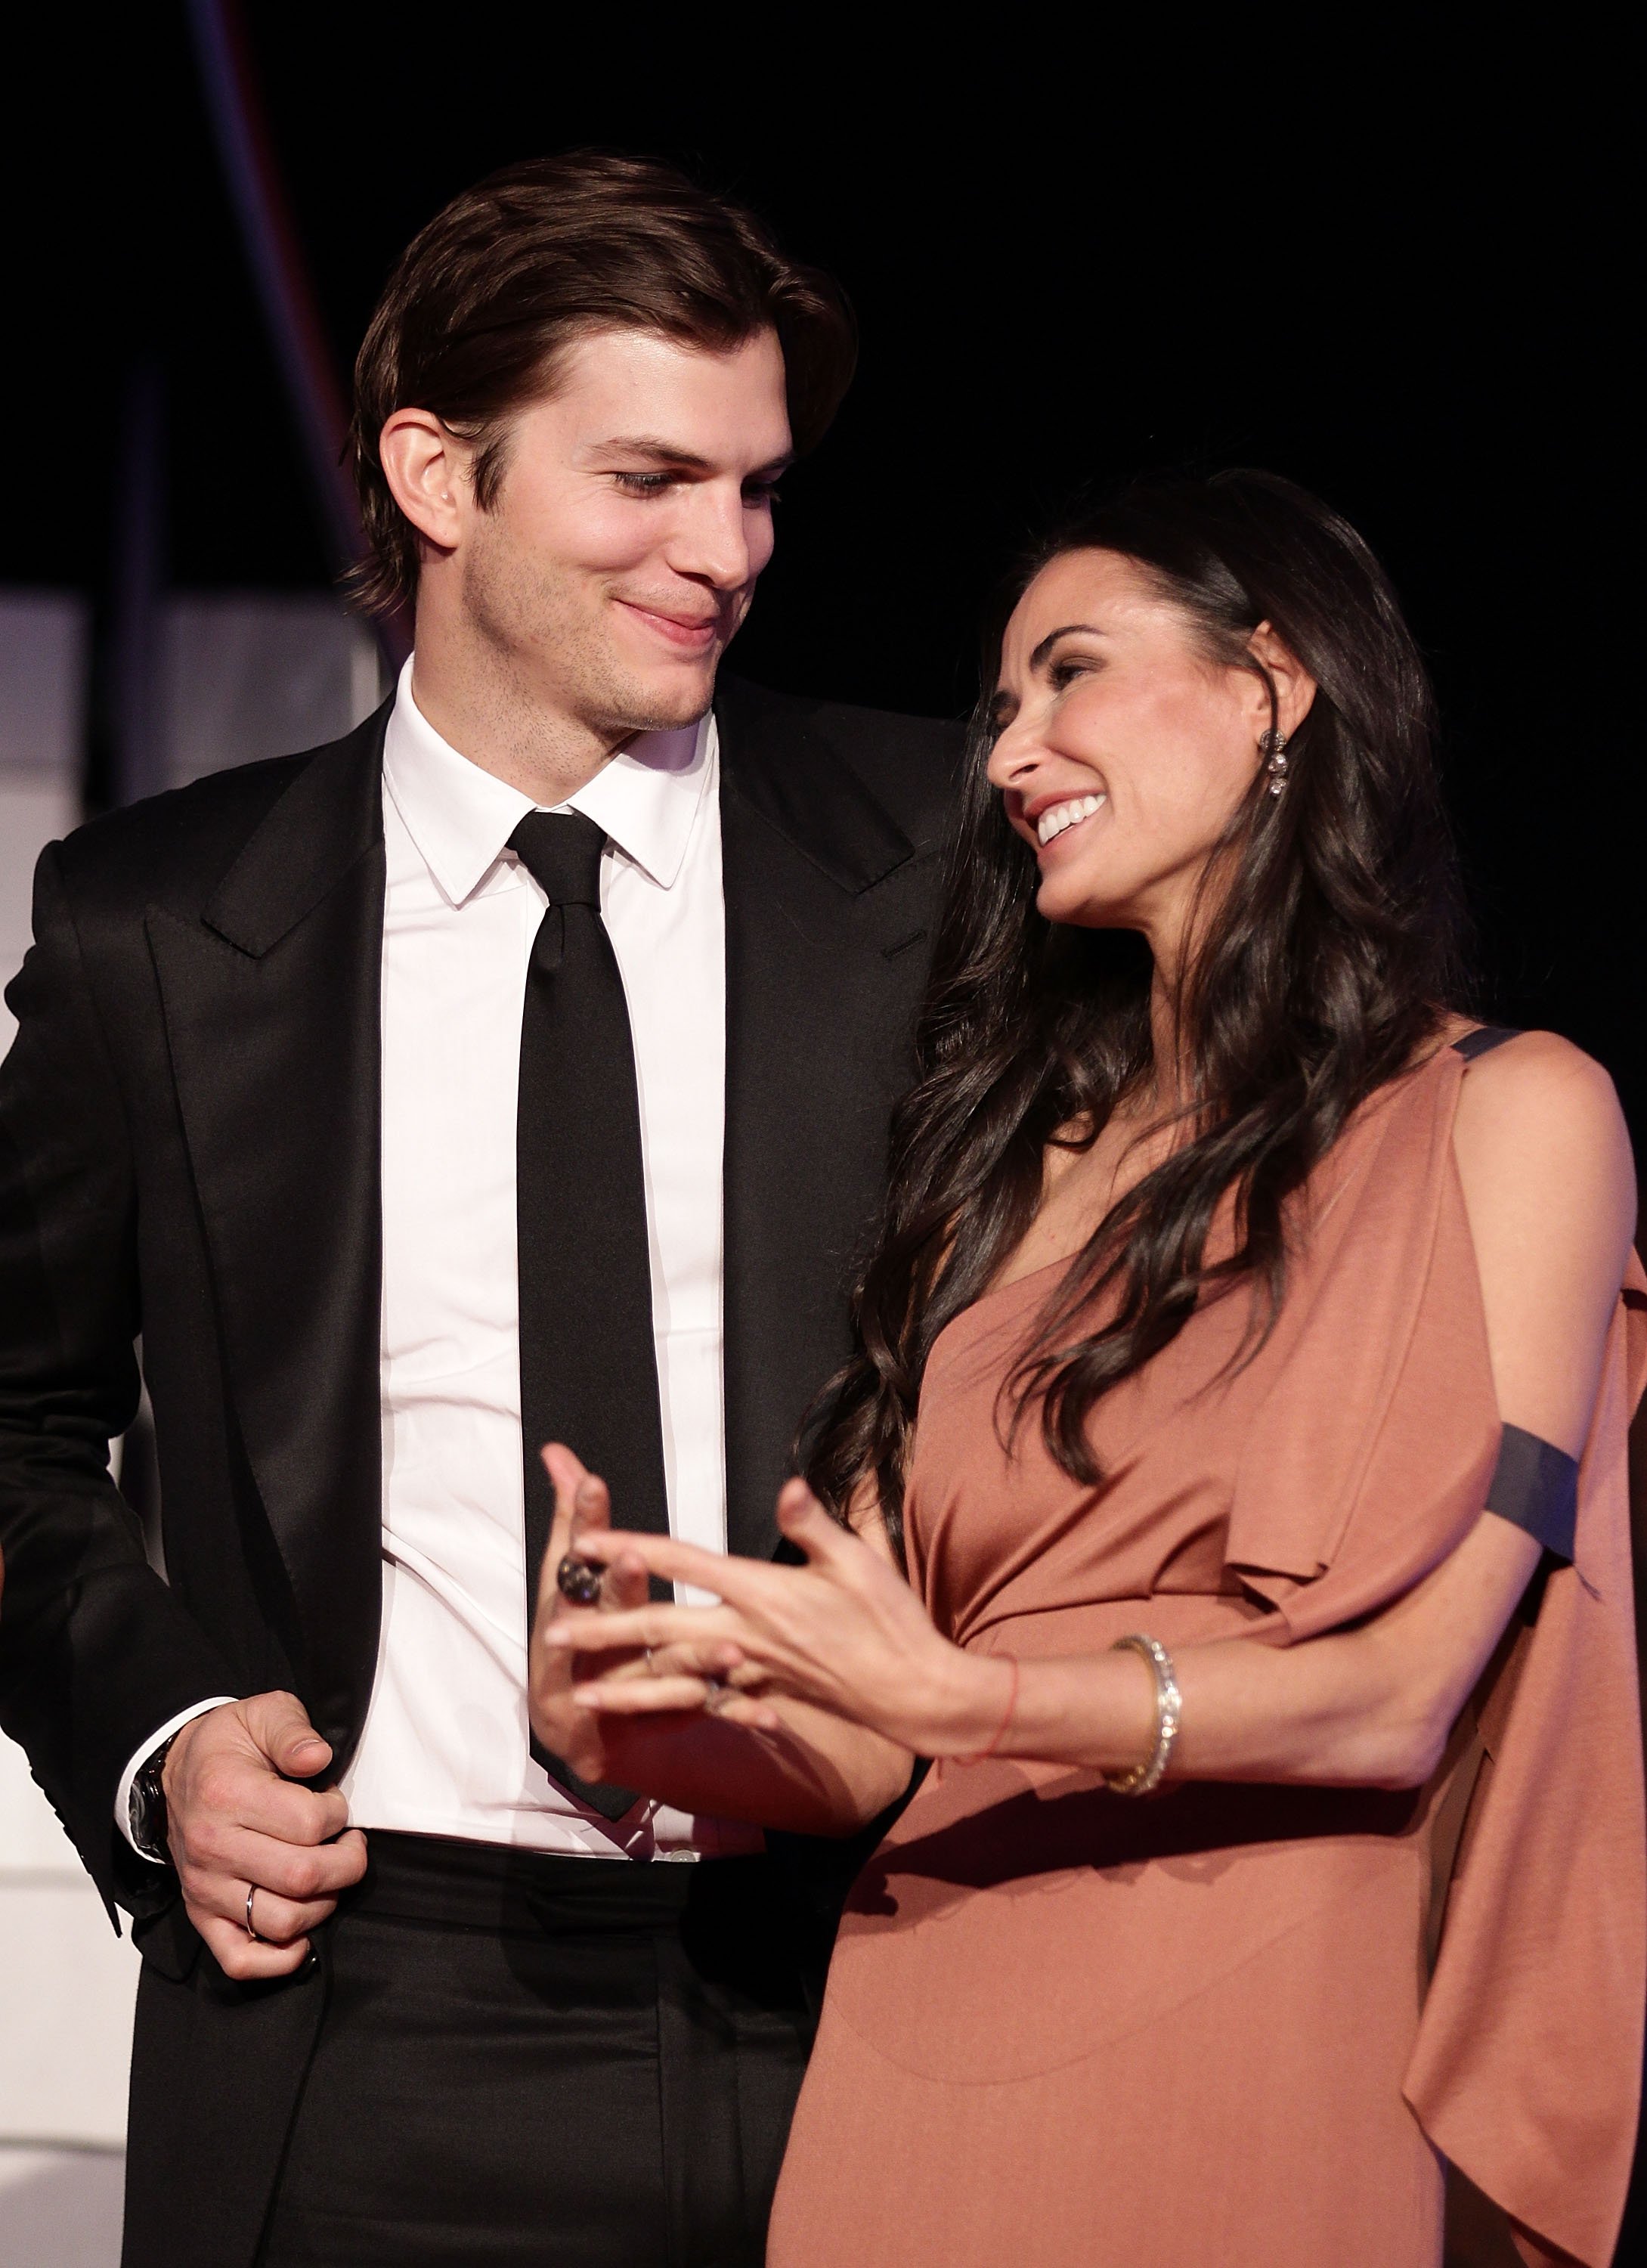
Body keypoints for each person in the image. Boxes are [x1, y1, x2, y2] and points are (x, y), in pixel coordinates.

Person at [0, 153, 959, 2268]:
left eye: (759, 487)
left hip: (884, 1980)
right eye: (649, 478)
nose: (725, 552)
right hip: (370, 2013)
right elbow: (12, 1424)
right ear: (437, 474)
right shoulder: (161, 929)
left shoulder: (944, 852)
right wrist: (158, 1732)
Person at [534, 470, 1645, 2268]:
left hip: (1270, 2028)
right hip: (916, 2028)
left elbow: (1398, 1697)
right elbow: (861, 1735)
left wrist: (988, 1708)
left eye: (1068, 675)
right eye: (1000, 707)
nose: (1009, 754)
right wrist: (638, 1725)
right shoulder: (1011, 1159)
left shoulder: (1513, 1115)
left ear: (1271, 686)